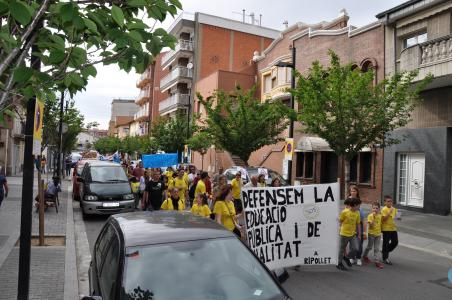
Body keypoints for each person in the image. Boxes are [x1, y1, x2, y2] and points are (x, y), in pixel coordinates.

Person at [336, 198, 361, 271]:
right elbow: (340, 221)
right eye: (358, 205)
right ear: (355, 205)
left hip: (352, 234)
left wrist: (359, 234)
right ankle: (339, 263)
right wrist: (339, 229)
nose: (359, 207)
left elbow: (358, 223)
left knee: (355, 248)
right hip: (344, 234)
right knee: (341, 249)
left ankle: (346, 257)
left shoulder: (357, 213)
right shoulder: (345, 212)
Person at [363, 202, 384, 269]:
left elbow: (381, 224)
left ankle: (377, 261)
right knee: (369, 247)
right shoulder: (370, 216)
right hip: (371, 234)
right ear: (372, 209)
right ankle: (365, 256)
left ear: (379, 209)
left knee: (376, 248)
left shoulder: (380, 215)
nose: (375, 209)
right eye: (374, 208)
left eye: (376, 208)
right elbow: (371, 225)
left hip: (378, 234)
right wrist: (374, 217)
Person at [348, 185, 366, 266]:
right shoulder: (348, 200)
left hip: (359, 222)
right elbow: (346, 211)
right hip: (351, 223)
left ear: (357, 192)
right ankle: (351, 257)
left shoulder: (359, 200)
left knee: (359, 241)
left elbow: (362, 216)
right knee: (352, 241)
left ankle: (358, 257)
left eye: (354, 191)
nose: (353, 192)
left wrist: (365, 231)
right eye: (351, 191)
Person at [381, 195, 398, 265]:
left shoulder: (394, 209)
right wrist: (389, 212)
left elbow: (396, 217)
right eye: (388, 201)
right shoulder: (384, 209)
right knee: (386, 243)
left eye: (391, 201)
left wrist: (398, 217)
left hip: (393, 228)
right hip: (386, 229)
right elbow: (383, 219)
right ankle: (385, 258)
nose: (390, 203)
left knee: (395, 242)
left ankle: (385, 251)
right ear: (385, 202)